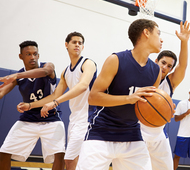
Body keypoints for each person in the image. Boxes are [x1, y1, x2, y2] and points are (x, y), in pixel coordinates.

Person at [75, 18, 163, 170]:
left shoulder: (156, 71)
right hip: (101, 132)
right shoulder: (116, 60)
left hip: (132, 135)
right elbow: (93, 97)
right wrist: (128, 99)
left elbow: (150, 105)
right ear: (146, 33)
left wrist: (163, 110)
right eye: (158, 33)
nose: (161, 39)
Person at [17, 32, 97, 170]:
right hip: (75, 120)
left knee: (70, 159)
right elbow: (54, 95)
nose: (77, 45)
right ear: (66, 45)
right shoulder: (65, 71)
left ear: (83, 47)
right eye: (74, 42)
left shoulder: (88, 63)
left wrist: (55, 103)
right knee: (76, 160)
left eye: (80, 43)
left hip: (89, 118)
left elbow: (83, 86)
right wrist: (30, 105)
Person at [0, 41, 65, 170]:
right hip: (28, 120)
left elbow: (46, 71)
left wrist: (16, 76)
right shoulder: (18, 76)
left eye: (35, 54)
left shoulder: (47, 66)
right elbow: (2, 91)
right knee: (3, 153)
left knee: (59, 155)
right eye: (28, 54)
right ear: (21, 56)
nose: (32, 57)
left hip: (51, 119)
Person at [140, 20, 190, 170]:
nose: (165, 67)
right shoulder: (143, 75)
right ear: (156, 61)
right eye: (163, 63)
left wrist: (184, 42)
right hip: (139, 132)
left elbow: (183, 66)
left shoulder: (171, 82)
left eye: (169, 66)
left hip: (159, 134)